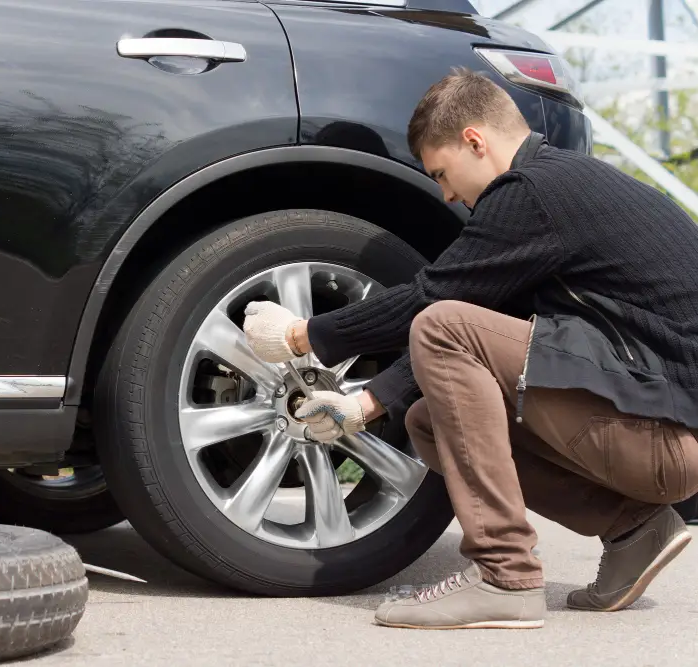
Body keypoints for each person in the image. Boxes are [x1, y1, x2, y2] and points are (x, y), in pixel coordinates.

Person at [242, 68, 698, 630]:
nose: (447, 194)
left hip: (664, 436)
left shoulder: (530, 193)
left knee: (441, 323)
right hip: (661, 428)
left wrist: (302, 335)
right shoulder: (564, 186)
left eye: (442, 172)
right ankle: (635, 529)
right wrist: (366, 406)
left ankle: (505, 576)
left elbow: (433, 301)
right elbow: (489, 324)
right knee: (430, 419)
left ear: (475, 141)